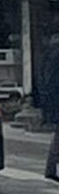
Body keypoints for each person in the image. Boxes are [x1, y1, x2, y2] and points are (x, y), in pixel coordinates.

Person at [38, 31, 59, 183]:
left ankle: (51, 168)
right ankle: (50, 168)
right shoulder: (55, 54)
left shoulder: (49, 54)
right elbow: (52, 81)